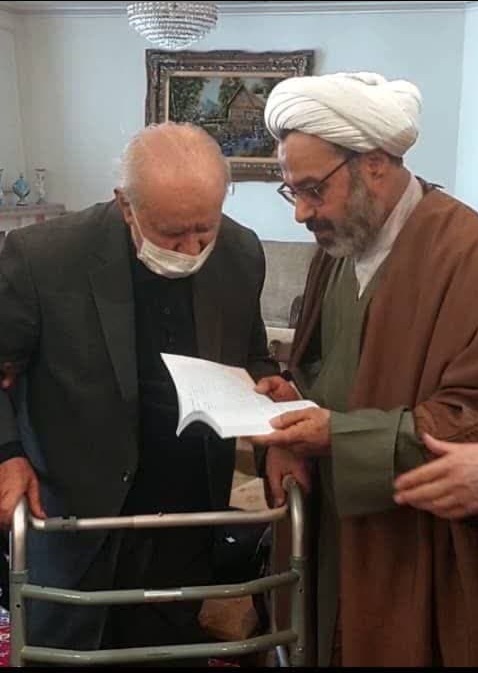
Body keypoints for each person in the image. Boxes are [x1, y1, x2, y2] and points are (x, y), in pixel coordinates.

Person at [0, 121, 278, 657]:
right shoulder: (42, 257)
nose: (192, 248)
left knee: (167, 647)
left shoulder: (240, 251)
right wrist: (6, 453)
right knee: (65, 647)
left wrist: (271, 404)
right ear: (126, 205)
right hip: (76, 511)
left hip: (187, 510)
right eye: (172, 234)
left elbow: (253, 354)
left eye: (205, 229)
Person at [250, 72, 478, 667]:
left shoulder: (465, 252)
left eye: (313, 190)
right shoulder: (341, 244)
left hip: (413, 539)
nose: (301, 213)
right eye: (291, 192)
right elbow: (328, 369)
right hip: (327, 518)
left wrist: (339, 436)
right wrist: (290, 402)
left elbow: (465, 419)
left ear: (374, 164)